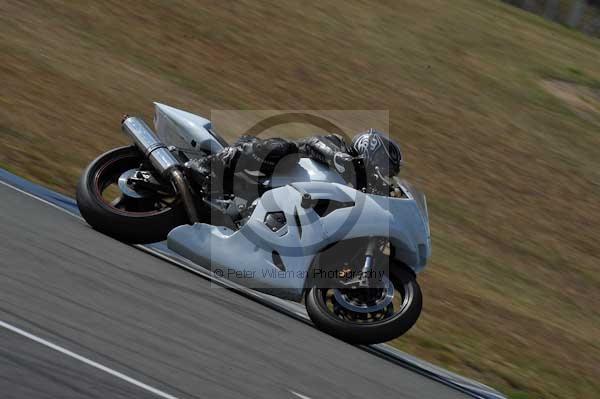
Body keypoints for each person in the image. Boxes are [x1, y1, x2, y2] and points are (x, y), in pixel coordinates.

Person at [183, 129, 402, 196]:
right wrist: (342, 159)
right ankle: (209, 164)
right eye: (383, 165)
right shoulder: (338, 145)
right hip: (268, 164)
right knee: (285, 150)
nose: (382, 171)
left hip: (281, 196)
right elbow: (313, 143)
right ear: (370, 147)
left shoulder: (358, 185)